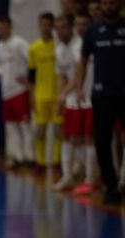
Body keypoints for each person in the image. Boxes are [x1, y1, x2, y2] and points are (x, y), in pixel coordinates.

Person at [74, 0, 125, 205]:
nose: (109, 6)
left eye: (112, 2)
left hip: (124, 93)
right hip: (102, 95)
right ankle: (110, 186)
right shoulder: (93, 30)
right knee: (102, 142)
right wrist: (79, 88)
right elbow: (83, 60)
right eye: (105, 3)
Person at [55, 12, 99, 193]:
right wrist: (62, 97)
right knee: (68, 137)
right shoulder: (59, 49)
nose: (60, 31)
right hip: (73, 100)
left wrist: (64, 94)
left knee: (89, 138)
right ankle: (68, 177)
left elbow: (77, 75)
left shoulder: (83, 45)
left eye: (64, 27)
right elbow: (62, 76)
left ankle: (91, 179)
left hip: (90, 98)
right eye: (57, 28)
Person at [0, 16, 34, 168]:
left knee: (24, 125)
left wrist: (28, 77)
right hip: (6, 92)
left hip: (19, 90)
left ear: (9, 27)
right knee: (11, 126)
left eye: (4, 27)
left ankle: (29, 156)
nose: (1, 30)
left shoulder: (19, 43)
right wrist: (3, 72)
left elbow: (31, 59)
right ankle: (17, 156)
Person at [29, 12, 62, 171]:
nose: (45, 27)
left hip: (57, 95)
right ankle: (40, 162)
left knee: (58, 131)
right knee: (40, 131)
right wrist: (31, 96)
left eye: (48, 24)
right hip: (40, 96)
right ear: (39, 26)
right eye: (43, 24)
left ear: (52, 26)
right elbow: (31, 75)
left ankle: (56, 161)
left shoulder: (58, 46)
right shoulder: (34, 48)